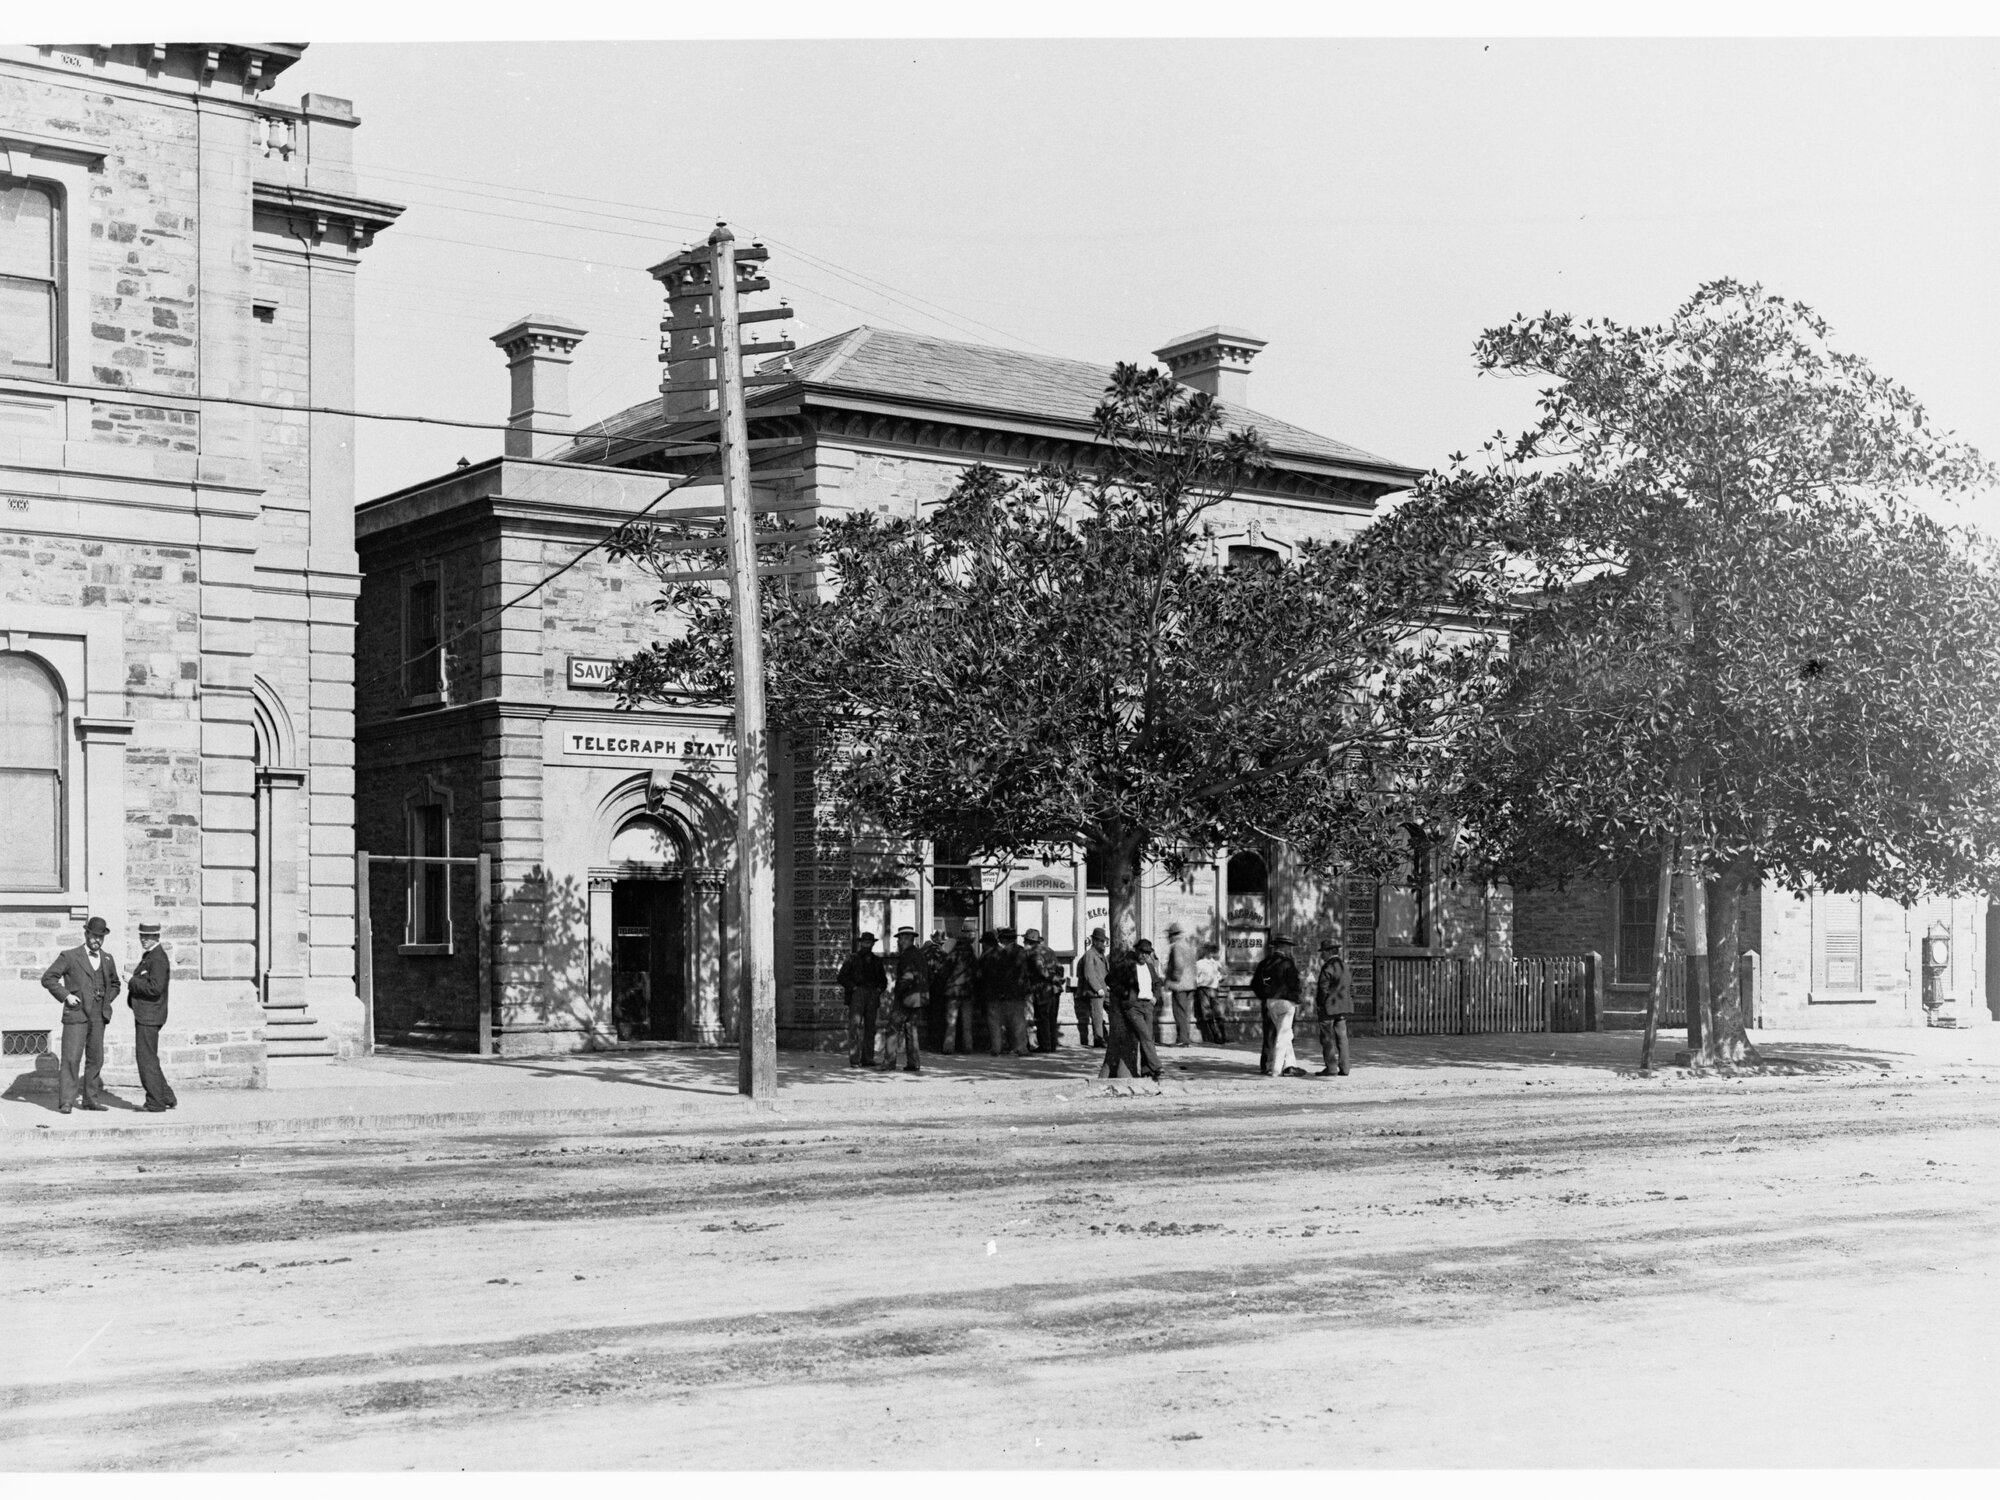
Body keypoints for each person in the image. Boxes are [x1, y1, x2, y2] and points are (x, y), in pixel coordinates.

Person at [40, 915, 121, 1114]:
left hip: (98, 1016)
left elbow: (116, 985)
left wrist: (105, 1000)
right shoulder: (70, 956)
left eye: (101, 937)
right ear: (86, 934)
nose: (97, 940)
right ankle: (66, 1101)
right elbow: (48, 978)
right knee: (71, 1058)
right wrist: (66, 995)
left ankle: (90, 1100)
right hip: (76, 1014)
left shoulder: (108, 959)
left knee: (96, 1058)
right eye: (94, 936)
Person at [126, 920, 177, 1113]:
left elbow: (155, 988)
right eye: (142, 936)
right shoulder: (153, 955)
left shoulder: (157, 958)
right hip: (148, 1014)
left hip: (150, 1015)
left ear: (157, 937)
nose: (144, 940)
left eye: (149, 937)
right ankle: (165, 1096)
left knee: (146, 1059)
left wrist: (131, 980)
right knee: (150, 1058)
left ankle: (155, 1102)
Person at [1103, 938, 1164, 1081]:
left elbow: (1157, 983)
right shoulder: (1127, 965)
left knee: (1148, 1036)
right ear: (1136, 951)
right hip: (1133, 1007)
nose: (1144, 956)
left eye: (1147, 953)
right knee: (1145, 1035)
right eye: (1142, 952)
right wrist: (1124, 994)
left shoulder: (1149, 966)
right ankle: (1156, 1066)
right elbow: (1109, 979)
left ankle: (1147, 1070)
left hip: (1148, 1005)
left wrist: (1155, 997)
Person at [1250, 933, 1306, 1077]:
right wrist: (1296, 998)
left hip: (1268, 1002)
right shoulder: (1287, 964)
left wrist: (1265, 996)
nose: (1290, 950)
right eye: (1289, 947)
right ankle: (1279, 1068)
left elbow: (1255, 984)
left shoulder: (1264, 963)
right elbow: (1294, 984)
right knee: (1284, 1035)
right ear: (1285, 947)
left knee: (1270, 1034)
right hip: (1285, 1002)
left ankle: (1270, 1064)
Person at [879, 926, 930, 1073]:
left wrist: (898, 992)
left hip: (906, 997)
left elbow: (907, 977)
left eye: (900, 939)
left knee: (892, 1028)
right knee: (911, 1029)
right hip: (918, 998)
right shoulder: (919, 954)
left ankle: (889, 1062)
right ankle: (914, 1063)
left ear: (907, 939)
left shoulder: (907, 956)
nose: (899, 942)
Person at [836, 932, 887, 1068]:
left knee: (871, 1028)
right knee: (854, 1026)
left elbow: (883, 981)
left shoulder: (877, 961)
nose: (866, 945)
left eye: (869, 943)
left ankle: (868, 1059)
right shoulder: (852, 959)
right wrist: (853, 988)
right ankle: (854, 1059)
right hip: (857, 994)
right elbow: (841, 977)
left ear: (872, 944)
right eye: (864, 942)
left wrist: (878, 991)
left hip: (872, 995)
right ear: (860, 943)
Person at [979, 926, 1031, 1057]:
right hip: (1018, 992)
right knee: (1018, 1021)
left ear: (1003, 939)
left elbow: (994, 974)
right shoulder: (1021, 951)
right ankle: (1020, 1048)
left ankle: (997, 1048)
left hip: (1001, 992)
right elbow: (1025, 972)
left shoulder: (998, 954)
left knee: (996, 1022)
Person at [938, 919, 980, 1054]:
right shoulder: (972, 955)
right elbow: (976, 973)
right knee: (967, 1023)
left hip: (953, 991)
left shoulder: (953, 954)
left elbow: (944, 971)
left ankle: (948, 1048)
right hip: (967, 991)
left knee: (951, 1022)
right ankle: (968, 1047)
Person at [1022, 928, 1067, 1052]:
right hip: (1055, 990)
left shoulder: (1033, 953)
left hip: (1043, 990)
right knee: (1052, 1018)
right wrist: (1058, 979)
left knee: (1043, 1018)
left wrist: (1051, 978)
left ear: (1028, 941)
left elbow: (1041, 970)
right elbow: (1059, 967)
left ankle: (1045, 1046)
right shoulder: (1049, 950)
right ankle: (1052, 1045)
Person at [1314, 937, 1353, 1078]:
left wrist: (1320, 1004)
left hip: (1328, 1008)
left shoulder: (1328, 967)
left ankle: (1331, 1067)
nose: (1321, 955)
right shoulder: (1345, 966)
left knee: (1327, 1038)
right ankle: (1345, 1067)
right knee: (1342, 1038)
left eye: (1323, 952)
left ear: (1330, 951)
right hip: (1343, 1007)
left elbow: (1323, 989)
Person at [1163, 922, 1200, 1046]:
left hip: (1179, 985)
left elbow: (1178, 965)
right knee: (1187, 1013)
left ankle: (1182, 1039)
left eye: (1169, 935)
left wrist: (1174, 978)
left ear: (1173, 935)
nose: (1168, 938)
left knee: (1179, 1012)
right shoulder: (1188, 946)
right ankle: (1186, 1038)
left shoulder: (1176, 946)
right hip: (1190, 984)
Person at [1073, 927, 1110, 1048]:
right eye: (1099, 941)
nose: (1101, 943)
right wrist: (1097, 988)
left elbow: (1105, 972)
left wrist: (1108, 986)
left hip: (1105, 990)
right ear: (1093, 941)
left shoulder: (1101, 955)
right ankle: (1098, 1039)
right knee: (1097, 1016)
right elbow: (1089, 974)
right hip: (1095, 991)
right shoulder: (1090, 955)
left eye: (1103, 941)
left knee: (1112, 1011)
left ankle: (1109, 1037)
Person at [1192, 940, 1227, 1044]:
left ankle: (1223, 1035)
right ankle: (1215, 1035)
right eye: (1208, 951)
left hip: (1213, 988)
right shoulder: (1199, 963)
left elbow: (1220, 975)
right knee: (1207, 1012)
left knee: (1217, 1012)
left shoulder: (1216, 964)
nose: (1210, 953)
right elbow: (1195, 977)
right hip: (1203, 989)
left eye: (1212, 951)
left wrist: (1220, 978)